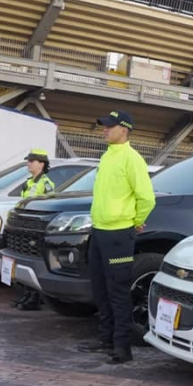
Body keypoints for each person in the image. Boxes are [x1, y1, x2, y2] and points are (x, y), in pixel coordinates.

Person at [76, 110, 155, 364]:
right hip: (99, 231)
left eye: (109, 126)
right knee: (100, 288)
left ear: (124, 129)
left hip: (119, 234)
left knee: (118, 291)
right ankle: (105, 338)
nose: (104, 130)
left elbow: (146, 197)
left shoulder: (132, 159)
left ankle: (122, 347)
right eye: (104, 126)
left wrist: (134, 222)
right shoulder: (108, 157)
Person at [11, 149, 56, 311]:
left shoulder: (46, 184)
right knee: (22, 261)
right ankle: (25, 294)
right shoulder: (28, 182)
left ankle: (34, 298)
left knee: (33, 263)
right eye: (28, 160)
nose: (28, 163)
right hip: (23, 227)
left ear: (41, 164)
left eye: (32, 161)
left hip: (36, 230)